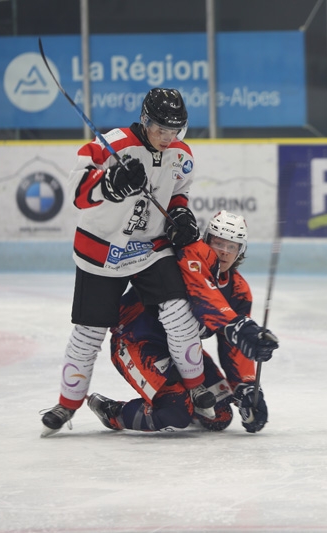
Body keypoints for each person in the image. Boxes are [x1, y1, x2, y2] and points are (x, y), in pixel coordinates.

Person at [40, 88, 214, 437]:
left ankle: (196, 386)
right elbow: (77, 193)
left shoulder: (180, 154)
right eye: (161, 129)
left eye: (175, 131)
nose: (168, 138)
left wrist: (180, 214)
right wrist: (111, 185)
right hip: (102, 251)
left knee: (178, 312)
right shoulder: (111, 144)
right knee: (89, 332)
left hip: (150, 247)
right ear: (145, 120)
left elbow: (179, 191)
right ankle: (67, 404)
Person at [87, 210, 279, 433]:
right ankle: (114, 413)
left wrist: (246, 387)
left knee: (220, 415)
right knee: (175, 411)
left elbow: (233, 347)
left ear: (241, 251)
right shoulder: (188, 260)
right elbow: (206, 301)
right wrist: (240, 327)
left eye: (232, 247)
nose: (224, 253)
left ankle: (180, 400)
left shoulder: (238, 291)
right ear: (206, 241)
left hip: (185, 352)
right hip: (137, 340)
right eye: (218, 243)